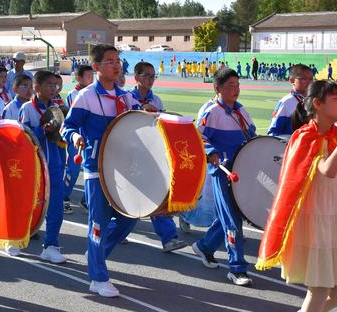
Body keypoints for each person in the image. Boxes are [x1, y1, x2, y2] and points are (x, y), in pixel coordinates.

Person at [63, 44, 141, 297]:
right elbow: (68, 126)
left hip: (122, 169)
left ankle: (95, 252)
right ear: (96, 67)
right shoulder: (85, 97)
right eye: (110, 61)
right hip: (96, 169)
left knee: (131, 216)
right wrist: (75, 138)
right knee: (97, 223)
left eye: (118, 60)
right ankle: (97, 277)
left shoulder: (126, 97)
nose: (116, 64)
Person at [257, 80, 337, 312]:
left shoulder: (332, 134)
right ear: (317, 104)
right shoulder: (305, 137)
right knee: (320, 289)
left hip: (333, 218)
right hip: (317, 222)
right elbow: (328, 171)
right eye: (335, 99)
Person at [191, 68, 256, 286]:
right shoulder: (211, 111)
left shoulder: (242, 111)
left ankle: (205, 246)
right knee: (232, 221)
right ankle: (237, 269)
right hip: (222, 172)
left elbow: (252, 136)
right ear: (217, 88)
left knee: (231, 216)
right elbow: (198, 137)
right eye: (230, 86)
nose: (236, 90)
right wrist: (212, 153)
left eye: (237, 85)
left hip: (241, 171)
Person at [131, 62, 187, 252]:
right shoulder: (126, 98)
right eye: (146, 75)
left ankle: (168, 237)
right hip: (131, 155)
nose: (150, 79)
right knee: (127, 200)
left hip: (153, 154)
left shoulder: (157, 100)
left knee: (158, 193)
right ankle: (114, 231)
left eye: (153, 76)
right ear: (136, 77)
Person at [19, 71, 66, 264]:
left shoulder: (57, 109)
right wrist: (41, 130)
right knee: (28, 203)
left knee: (56, 206)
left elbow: (62, 139)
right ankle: (17, 237)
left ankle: (51, 246)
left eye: (55, 85)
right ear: (37, 89)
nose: (54, 88)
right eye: (49, 85)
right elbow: (22, 137)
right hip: (34, 165)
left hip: (54, 164)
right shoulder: (27, 109)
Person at [63, 65, 94, 214]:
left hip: (90, 139)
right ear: (79, 78)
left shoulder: (94, 92)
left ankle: (86, 199)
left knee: (93, 171)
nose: (91, 78)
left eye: (92, 75)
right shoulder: (73, 94)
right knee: (73, 170)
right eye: (88, 76)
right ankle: (63, 197)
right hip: (77, 138)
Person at [268, 64, 313, 137]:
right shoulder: (286, 102)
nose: (309, 82)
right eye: (304, 79)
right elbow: (273, 132)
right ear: (292, 80)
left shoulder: (315, 101)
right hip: (293, 146)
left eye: (311, 79)